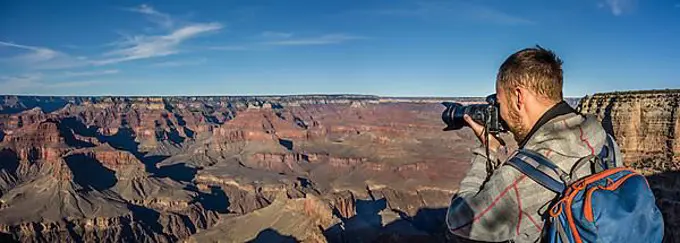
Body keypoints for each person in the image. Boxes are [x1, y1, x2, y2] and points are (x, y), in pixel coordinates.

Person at [445, 46, 623, 242]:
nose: (500, 112)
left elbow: (460, 220)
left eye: (500, 102)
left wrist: (488, 149)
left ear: (519, 97)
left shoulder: (526, 174)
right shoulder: (603, 139)